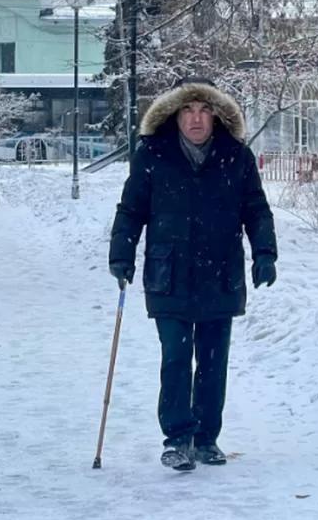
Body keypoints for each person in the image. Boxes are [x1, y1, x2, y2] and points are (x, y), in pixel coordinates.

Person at [109, 77, 278, 471]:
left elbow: (256, 208)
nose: (196, 119)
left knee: (213, 361)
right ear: (175, 114)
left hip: (221, 273)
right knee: (176, 357)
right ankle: (177, 437)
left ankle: (205, 439)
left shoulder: (235, 156)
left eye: (204, 110)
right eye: (188, 110)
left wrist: (265, 253)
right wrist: (122, 252)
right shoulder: (152, 153)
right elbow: (132, 208)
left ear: (216, 116)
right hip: (169, 273)